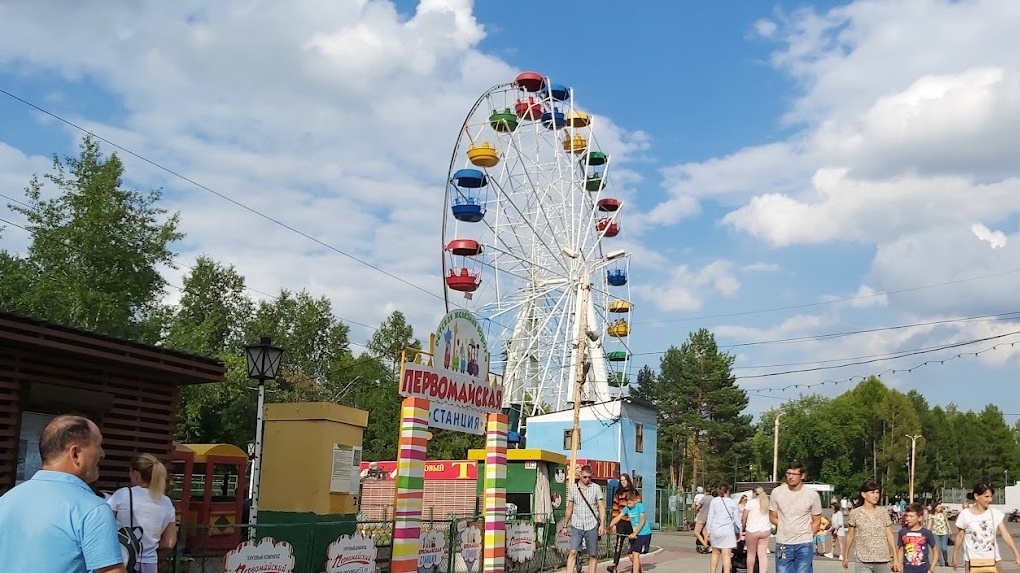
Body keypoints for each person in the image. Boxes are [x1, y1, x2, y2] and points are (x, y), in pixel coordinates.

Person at [0, 414, 125, 573]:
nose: (102, 454)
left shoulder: (6, 501)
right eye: (98, 445)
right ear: (76, 454)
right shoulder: (92, 509)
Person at [108, 453, 178, 573]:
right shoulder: (166, 502)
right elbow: (169, 542)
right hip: (149, 563)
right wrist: (151, 545)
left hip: (121, 561)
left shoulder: (123, 494)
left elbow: (103, 523)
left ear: (136, 474)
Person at [952, 483, 1020, 572]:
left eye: (991, 497)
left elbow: (1005, 534)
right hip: (972, 561)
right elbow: (960, 536)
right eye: (986, 496)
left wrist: (1017, 554)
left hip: (993, 560)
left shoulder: (995, 514)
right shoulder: (965, 514)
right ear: (976, 496)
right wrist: (954, 556)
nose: (990, 500)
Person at [770, 461, 822, 573]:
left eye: (794, 474)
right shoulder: (776, 493)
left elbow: (817, 521)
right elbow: (772, 517)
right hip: (783, 543)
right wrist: (785, 526)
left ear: (802, 476)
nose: (790, 477)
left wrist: (807, 534)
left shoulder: (812, 495)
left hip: (804, 544)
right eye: (788, 473)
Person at [843, 480, 898, 573]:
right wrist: (845, 556)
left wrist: (895, 558)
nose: (876, 495)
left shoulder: (883, 512)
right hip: (863, 559)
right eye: (872, 492)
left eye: (877, 492)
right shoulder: (855, 513)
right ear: (863, 494)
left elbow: (889, 535)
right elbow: (850, 536)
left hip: (883, 559)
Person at [561, 465, 606, 573]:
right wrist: (565, 525)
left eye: (589, 477)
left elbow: (601, 506)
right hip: (577, 524)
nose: (587, 479)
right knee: (573, 552)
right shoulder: (573, 488)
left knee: (592, 554)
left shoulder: (596, 488)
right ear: (580, 475)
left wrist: (602, 524)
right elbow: (569, 508)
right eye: (585, 477)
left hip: (591, 524)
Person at [609, 490, 652, 573]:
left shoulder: (640, 506)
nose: (628, 505)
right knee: (631, 555)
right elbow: (619, 517)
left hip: (643, 534)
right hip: (636, 534)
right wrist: (610, 525)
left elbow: (642, 521)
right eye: (627, 503)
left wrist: (634, 533)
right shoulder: (627, 508)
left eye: (629, 503)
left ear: (635, 501)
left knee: (635, 554)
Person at [896, 503, 938, 573]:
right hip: (907, 569)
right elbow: (901, 550)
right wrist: (899, 565)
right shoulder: (902, 532)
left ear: (919, 518)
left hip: (923, 569)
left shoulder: (927, 533)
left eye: (911, 516)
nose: (908, 518)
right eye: (907, 516)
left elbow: (935, 551)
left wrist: (931, 568)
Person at [707, 483, 740, 573]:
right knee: (726, 555)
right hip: (728, 531)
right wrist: (740, 530)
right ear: (728, 491)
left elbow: (710, 516)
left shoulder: (714, 501)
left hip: (715, 530)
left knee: (715, 553)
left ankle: (712, 572)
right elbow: (736, 519)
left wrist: (708, 531)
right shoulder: (732, 502)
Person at [608, 473, 637, 573]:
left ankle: (635, 566)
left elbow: (638, 507)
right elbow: (615, 508)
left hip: (631, 522)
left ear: (628, 481)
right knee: (619, 543)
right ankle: (614, 565)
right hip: (621, 522)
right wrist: (614, 523)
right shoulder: (618, 493)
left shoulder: (634, 492)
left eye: (625, 480)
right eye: (621, 480)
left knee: (632, 545)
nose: (623, 482)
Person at [743, 486, 773, 573]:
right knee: (762, 554)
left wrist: (744, 526)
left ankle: (750, 571)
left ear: (754, 493)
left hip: (752, 530)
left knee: (751, 554)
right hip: (765, 530)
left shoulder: (751, 503)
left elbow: (744, 517)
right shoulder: (767, 503)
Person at [928, 501, 950, 567]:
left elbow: (946, 521)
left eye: (940, 507)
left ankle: (946, 561)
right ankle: (941, 563)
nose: (940, 508)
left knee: (944, 548)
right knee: (938, 549)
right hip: (935, 533)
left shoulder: (943, 513)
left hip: (944, 532)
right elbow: (929, 524)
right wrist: (927, 531)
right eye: (939, 507)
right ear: (935, 508)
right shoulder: (932, 515)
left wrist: (949, 529)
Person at [696, 487, 716, 552]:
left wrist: (696, 508)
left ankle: (705, 544)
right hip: (709, 518)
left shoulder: (704, 498)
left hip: (702, 517)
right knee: (705, 532)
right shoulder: (713, 499)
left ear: (705, 491)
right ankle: (705, 547)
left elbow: (698, 507)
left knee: (696, 532)